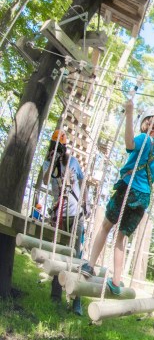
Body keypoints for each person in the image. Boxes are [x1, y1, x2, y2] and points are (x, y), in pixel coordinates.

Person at [81, 101, 154, 294]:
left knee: (106, 226)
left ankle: (90, 265)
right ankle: (115, 281)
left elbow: (129, 143)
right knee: (121, 238)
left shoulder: (144, 139)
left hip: (128, 189)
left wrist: (129, 113)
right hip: (142, 199)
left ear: (146, 124)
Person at [40, 129, 87, 315]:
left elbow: (83, 182)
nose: (57, 150)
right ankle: (55, 295)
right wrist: (52, 161)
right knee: (58, 254)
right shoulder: (48, 163)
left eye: (60, 147)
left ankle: (77, 300)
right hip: (58, 214)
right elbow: (45, 180)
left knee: (76, 256)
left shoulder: (73, 161)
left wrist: (86, 204)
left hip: (75, 214)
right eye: (54, 147)